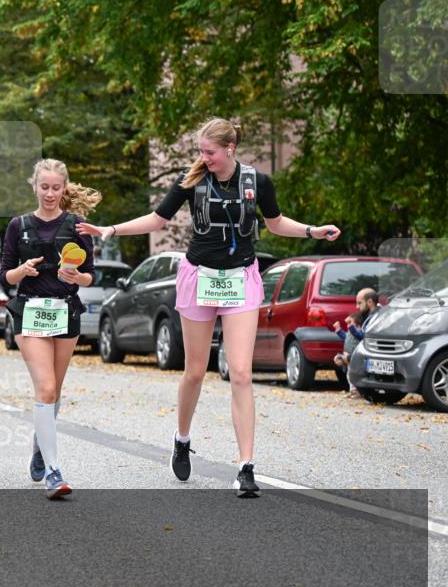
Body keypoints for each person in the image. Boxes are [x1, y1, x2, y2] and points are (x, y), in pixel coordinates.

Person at [77, 118, 341, 497]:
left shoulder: (257, 182)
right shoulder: (192, 180)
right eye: (201, 151)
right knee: (195, 372)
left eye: (210, 152)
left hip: (241, 279)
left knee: (242, 374)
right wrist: (111, 230)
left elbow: (276, 222)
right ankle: (182, 437)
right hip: (199, 277)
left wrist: (313, 231)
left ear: (230, 149)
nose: (204, 158)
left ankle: (246, 467)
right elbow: (158, 219)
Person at [0, 158, 100, 499]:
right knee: (44, 387)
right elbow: (5, 277)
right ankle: (54, 473)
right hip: (29, 312)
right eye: (44, 187)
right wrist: (22, 271)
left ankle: (41, 446)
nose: (50, 194)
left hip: (65, 312)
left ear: (65, 187)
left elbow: (91, 275)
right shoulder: (19, 225)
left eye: (56, 188)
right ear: (34, 186)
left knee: (53, 390)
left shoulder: (77, 226)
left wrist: (77, 277)